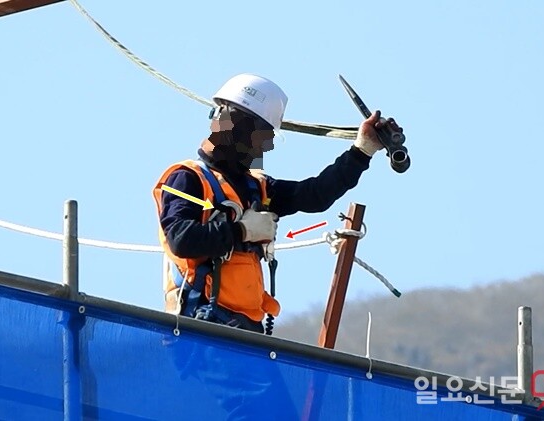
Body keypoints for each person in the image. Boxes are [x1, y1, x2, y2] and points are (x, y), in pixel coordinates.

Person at [152, 73, 400, 334]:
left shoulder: (255, 189)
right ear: (236, 127)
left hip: (246, 331)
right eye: (262, 138)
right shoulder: (186, 179)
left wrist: (362, 151)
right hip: (201, 328)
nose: (266, 148)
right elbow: (181, 240)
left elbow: (314, 194)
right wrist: (241, 231)